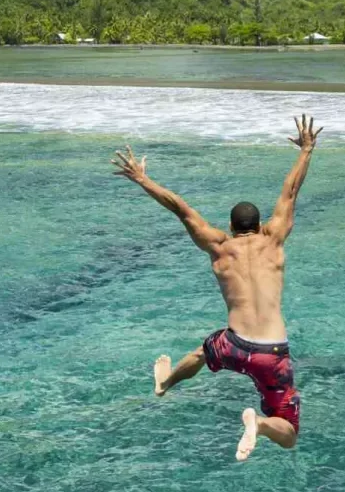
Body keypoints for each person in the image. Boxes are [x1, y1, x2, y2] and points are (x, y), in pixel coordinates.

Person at [113, 116, 322, 460]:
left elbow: (181, 209)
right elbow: (290, 191)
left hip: (235, 344)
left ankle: (165, 384)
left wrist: (141, 178)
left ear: (230, 225)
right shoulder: (274, 239)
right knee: (290, 433)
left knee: (201, 352)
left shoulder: (220, 247)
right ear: (260, 225)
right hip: (272, 353)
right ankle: (262, 424)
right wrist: (307, 150)